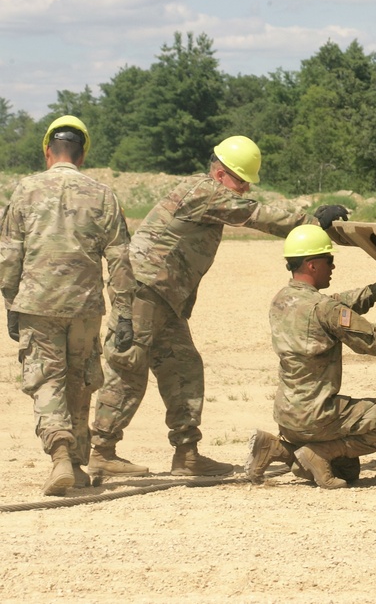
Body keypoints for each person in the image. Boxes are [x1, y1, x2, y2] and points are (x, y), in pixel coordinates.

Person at [89, 136, 349, 478]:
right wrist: (312, 222)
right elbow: (256, 214)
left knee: (184, 369)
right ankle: (102, 452)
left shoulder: (212, 195)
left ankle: (187, 455)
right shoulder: (203, 191)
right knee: (128, 367)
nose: (242, 189)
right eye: (239, 181)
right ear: (219, 172)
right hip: (142, 292)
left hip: (164, 298)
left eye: (245, 183)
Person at [0, 115, 136, 495]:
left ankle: (61, 455)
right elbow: (121, 259)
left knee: (47, 379)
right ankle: (75, 464)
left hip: (37, 304)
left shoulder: (24, 190)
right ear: (82, 155)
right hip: (85, 306)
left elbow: (9, 255)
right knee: (79, 381)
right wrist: (123, 313)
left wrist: (11, 302)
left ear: (48, 151)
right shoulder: (103, 194)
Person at [245, 224, 376, 489]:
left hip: (287, 416)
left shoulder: (283, 299)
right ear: (313, 265)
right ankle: (320, 452)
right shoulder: (324, 308)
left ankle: (275, 446)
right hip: (317, 416)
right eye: (329, 260)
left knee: (347, 470)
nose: (333, 267)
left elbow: (335, 304)